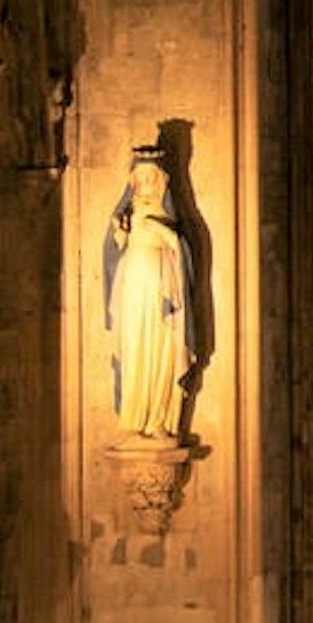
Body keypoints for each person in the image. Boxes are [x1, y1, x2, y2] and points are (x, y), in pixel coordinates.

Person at [101, 150, 203, 441]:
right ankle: (135, 417)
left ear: (159, 181)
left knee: (161, 349)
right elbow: (114, 252)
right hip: (133, 285)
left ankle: (158, 417)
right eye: (141, 178)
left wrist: (162, 229)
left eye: (150, 178)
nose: (145, 184)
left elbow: (179, 249)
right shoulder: (129, 210)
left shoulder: (166, 212)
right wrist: (119, 233)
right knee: (134, 348)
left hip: (161, 287)